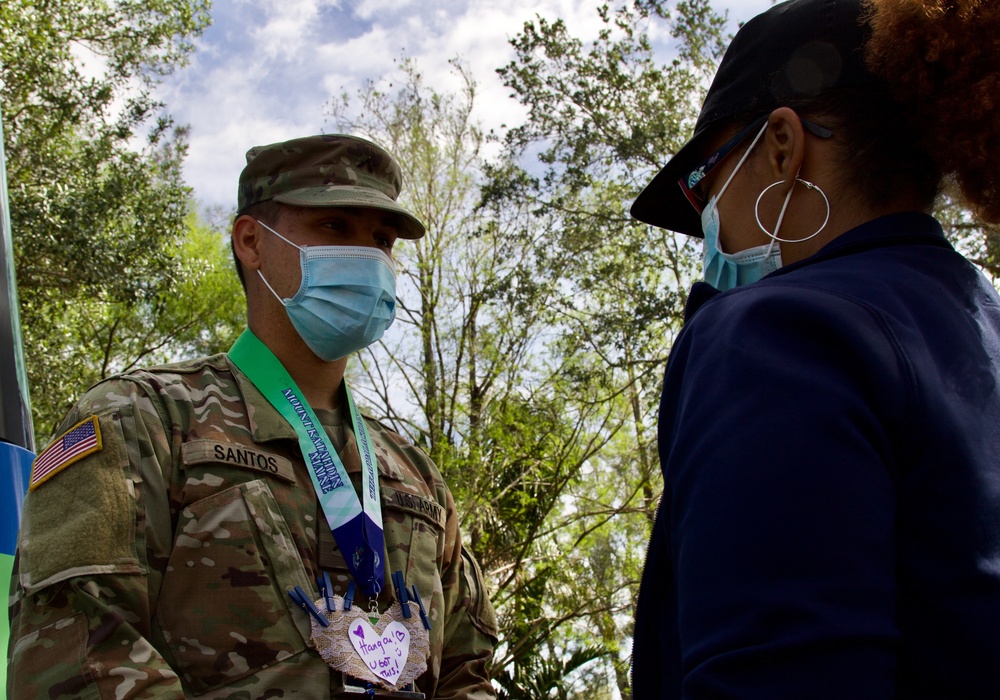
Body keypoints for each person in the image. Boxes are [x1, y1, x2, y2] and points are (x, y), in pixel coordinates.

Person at [7, 134, 498, 699]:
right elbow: (76, 657)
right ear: (251, 241)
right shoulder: (140, 419)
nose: (369, 258)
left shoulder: (417, 475)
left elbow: (468, 672)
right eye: (336, 226)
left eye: (382, 240)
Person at [628, 0, 1000, 697]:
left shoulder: (776, 332)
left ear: (781, 145)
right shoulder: (983, 320)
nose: (708, 219)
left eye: (704, 181)